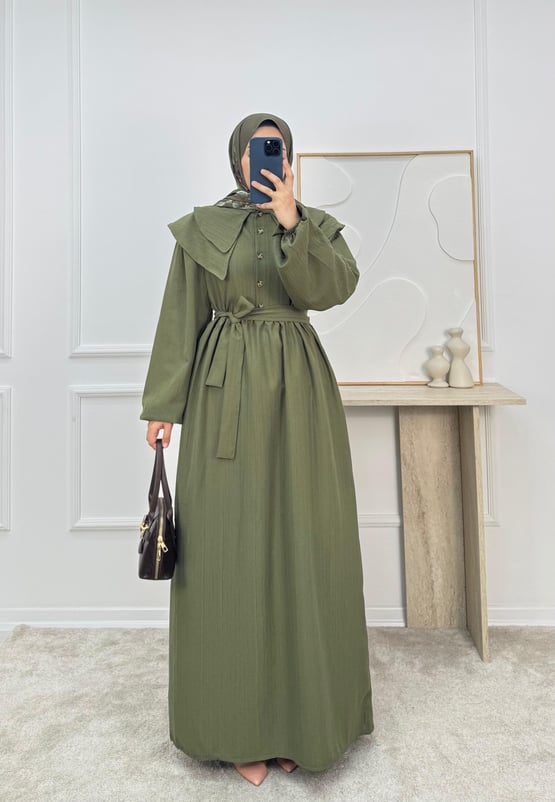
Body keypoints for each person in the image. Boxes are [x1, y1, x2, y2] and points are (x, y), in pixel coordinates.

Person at [140, 112, 374, 787]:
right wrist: (163, 407)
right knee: (228, 551)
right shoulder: (203, 229)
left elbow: (332, 290)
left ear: (288, 158)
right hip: (225, 396)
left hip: (300, 395)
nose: (264, 158)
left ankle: (303, 722)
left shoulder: (312, 225)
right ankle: (235, 726)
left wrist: (292, 219)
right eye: (255, 148)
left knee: (307, 543)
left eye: (275, 148)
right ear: (237, 156)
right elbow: (180, 316)